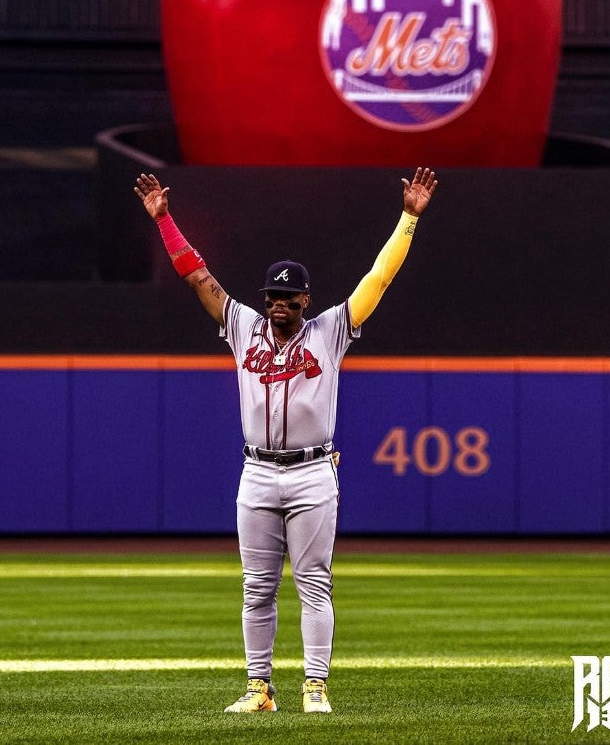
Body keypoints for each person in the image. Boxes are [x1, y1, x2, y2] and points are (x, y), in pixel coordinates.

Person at [134, 167, 438, 714]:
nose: (277, 304)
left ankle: (315, 687)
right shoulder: (242, 325)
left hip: (312, 470)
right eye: (272, 295)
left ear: (305, 300)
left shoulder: (331, 331)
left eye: (288, 297)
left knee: (313, 585)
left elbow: (377, 279)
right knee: (256, 587)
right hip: (256, 469)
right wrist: (164, 222)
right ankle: (259, 689)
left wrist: (408, 219)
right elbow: (196, 275)